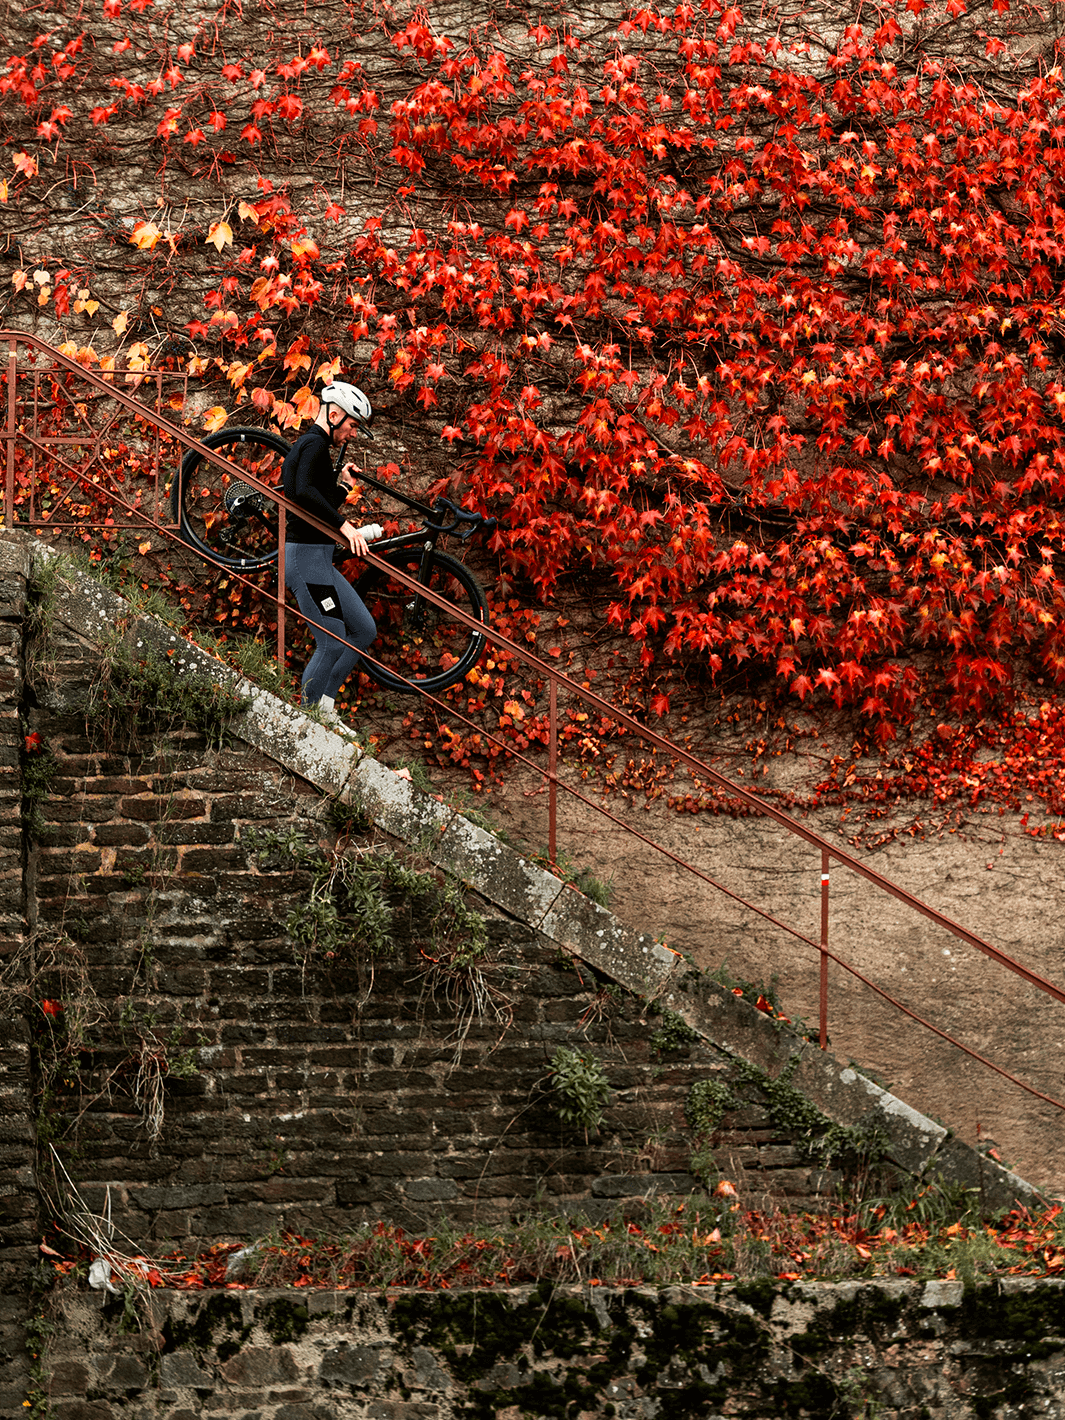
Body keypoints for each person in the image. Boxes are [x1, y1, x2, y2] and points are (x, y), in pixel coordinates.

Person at [281, 380, 377, 726]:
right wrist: (345, 526)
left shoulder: (317, 449)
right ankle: (305, 721)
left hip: (319, 559)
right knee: (332, 642)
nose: (352, 434)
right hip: (306, 561)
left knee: (364, 630)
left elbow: (314, 500)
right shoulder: (314, 445)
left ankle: (324, 706)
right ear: (334, 415)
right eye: (352, 425)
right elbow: (302, 491)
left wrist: (342, 488)